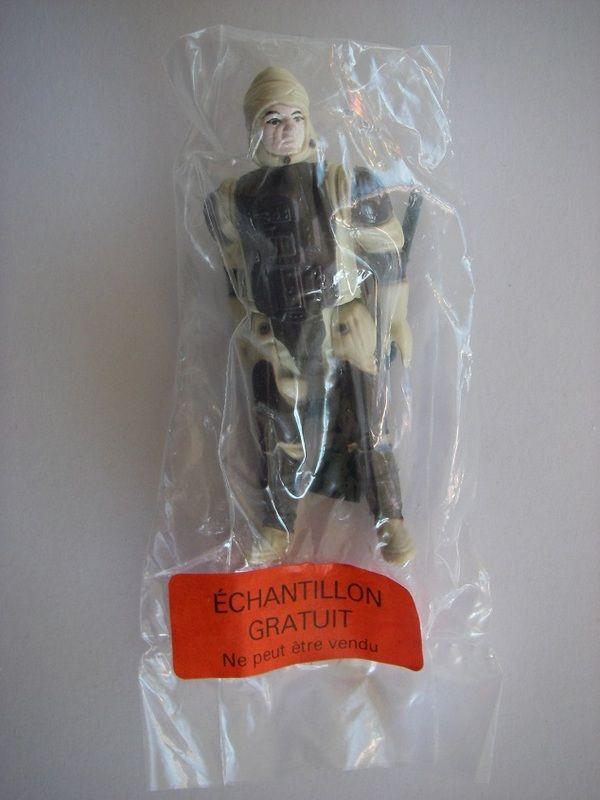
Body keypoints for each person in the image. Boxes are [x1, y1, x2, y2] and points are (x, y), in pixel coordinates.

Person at [204, 67, 417, 565]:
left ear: (308, 121)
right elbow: (235, 274)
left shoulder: (342, 184)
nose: (286, 129)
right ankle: (276, 526)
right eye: (272, 119)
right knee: (278, 432)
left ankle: (391, 519)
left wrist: (394, 321)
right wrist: (246, 329)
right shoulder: (233, 200)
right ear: (255, 128)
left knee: (368, 422)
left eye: (295, 117)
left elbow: (387, 255)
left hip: (342, 322)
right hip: (277, 333)